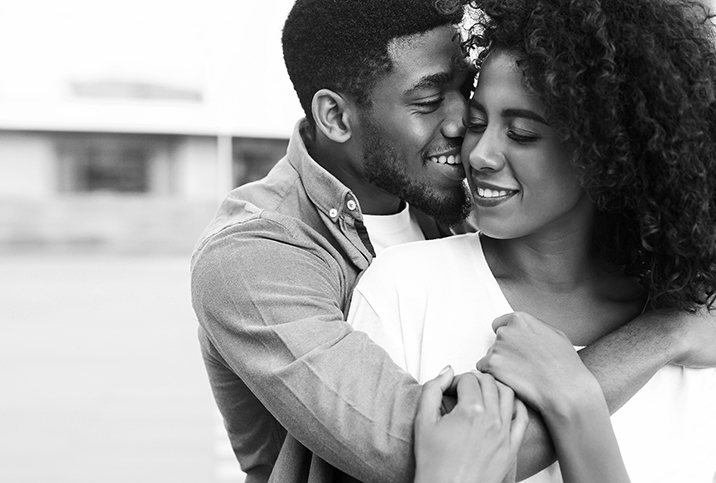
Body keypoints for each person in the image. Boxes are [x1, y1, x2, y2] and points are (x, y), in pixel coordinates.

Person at [191, 0, 716, 482]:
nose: (463, 125)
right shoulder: (254, 254)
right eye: (426, 101)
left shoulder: (451, 206)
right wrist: (659, 339)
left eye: (463, 92)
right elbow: (412, 450)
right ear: (336, 116)